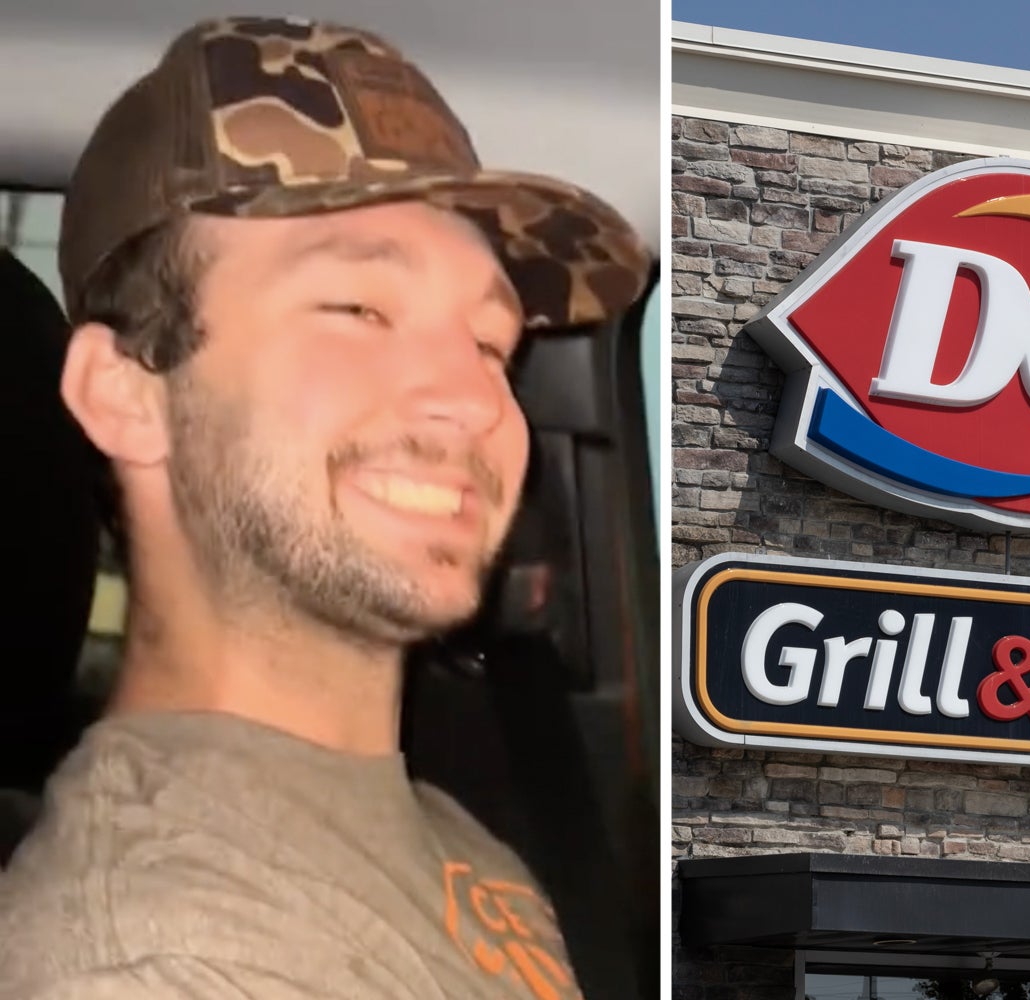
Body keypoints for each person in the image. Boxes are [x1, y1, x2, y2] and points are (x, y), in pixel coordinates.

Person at [0, 15, 649, 999]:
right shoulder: (151, 948)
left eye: (488, 341)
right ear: (125, 392)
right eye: (358, 310)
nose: (478, 403)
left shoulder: (460, 841)